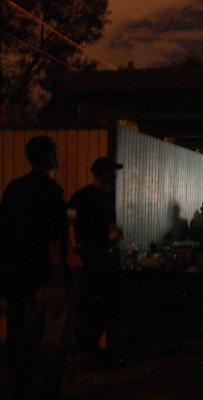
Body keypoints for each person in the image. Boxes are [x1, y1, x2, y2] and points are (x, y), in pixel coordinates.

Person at [0, 136, 71, 400]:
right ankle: (46, 391)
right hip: (44, 278)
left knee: (20, 337)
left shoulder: (13, 188)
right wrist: (62, 275)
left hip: (17, 277)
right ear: (51, 157)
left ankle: (19, 389)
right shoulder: (51, 191)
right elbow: (53, 241)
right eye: (57, 152)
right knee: (52, 340)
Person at [67, 156, 123, 369]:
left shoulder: (108, 197)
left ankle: (90, 350)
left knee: (105, 304)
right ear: (102, 174)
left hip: (104, 256)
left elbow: (109, 226)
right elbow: (69, 223)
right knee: (91, 304)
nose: (115, 176)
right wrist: (74, 251)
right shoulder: (82, 196)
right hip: (91, 257)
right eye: (112, 172)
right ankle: (84, 352)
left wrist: (114, 235)